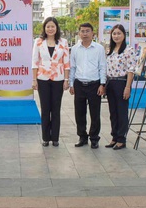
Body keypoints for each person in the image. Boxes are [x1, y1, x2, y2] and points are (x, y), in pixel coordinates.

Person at [31, 17, 70, 146]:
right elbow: (35, 62)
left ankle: (55, 138)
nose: (50, 29)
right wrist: (34, 80)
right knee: (45, 108)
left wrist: (66, 79)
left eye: (53, 26)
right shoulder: (38, 41)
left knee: (56, 108)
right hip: (42, 79)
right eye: (48, 26)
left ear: (57, 28)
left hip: (58, 79)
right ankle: (46, 138)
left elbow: (66, 63)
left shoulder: (63, 42)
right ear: (44, 28)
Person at [69, 22, 107, 149]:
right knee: (79, 113)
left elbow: (102, 67)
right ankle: (82, 137)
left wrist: (102, 84)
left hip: (94, 84)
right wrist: (71, 84)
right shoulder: (74, 49)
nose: (85, 34)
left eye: (87, 31)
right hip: (79, 84)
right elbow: (72, 67)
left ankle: (94, 138)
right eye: (82, 31)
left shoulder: (99, 49)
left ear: (93, 33)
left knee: (95, 113)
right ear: (79, 33)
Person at [104, 24, 136, 150]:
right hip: (110, 83)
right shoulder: (109, 51)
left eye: (119, 33)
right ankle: (114, 137)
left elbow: (131, 70)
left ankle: (122, 139)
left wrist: (127, 87)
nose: (116, 36)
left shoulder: (129, 50)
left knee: (121, 111)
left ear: (124, 35)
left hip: (122, 83)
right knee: (113, 112)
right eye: (114, 34)